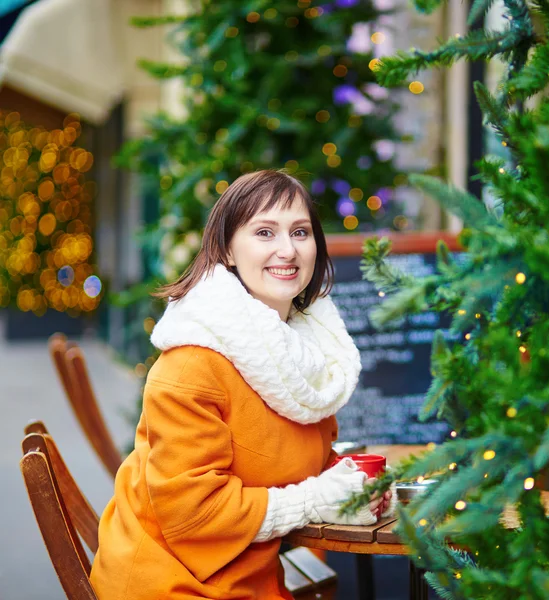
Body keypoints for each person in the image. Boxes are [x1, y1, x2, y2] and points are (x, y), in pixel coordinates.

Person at [90, 170, 396, 600]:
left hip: (250, 580)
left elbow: (294, 460)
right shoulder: (193, 363)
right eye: (265, 232)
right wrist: (315, 499)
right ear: (227, 251)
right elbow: (194, 515)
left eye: (301, 232)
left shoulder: (302, 356)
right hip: (169, 584)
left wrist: (351, 487)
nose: (287, 250)